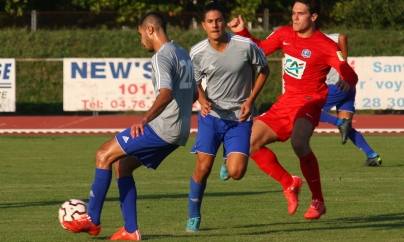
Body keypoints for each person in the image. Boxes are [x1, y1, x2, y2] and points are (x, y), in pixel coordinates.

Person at [61, 12, 198, 240]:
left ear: (150, 30)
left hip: (162, 128)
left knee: (103, 154)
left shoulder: (161, 57)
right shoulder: (182, 53)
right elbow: (193, 94)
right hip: (179, 132)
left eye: (140, 34)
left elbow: (165, 94)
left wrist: (144, 120)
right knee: (122, 167)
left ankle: (92, 220)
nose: (140, 40)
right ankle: (130, 229)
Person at [227, 0, 358, 220]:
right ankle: (289, 183)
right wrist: (242, 31)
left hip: (309, 102)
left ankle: (318, 200)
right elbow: (259, 48)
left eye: (301, 14)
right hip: (285, 102)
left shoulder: (326, 46)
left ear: (314, 17)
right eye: (293, 13)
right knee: (248, 142)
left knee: (299, 142)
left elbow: (349, 71)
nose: (295, 18)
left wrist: (347, 80)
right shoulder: (284, 34)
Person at [186, 0, 270, 232]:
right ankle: (193, 215)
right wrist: (201, 99)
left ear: (225, 21)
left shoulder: (245, 45)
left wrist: (251, 99)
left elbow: (264, 69)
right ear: (203, 25)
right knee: (203, 169)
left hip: (239, 119)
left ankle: (229, 157)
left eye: (219, 20)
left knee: (237, 172)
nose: (215, 25)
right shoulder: (198, 52)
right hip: (211, 117)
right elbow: (193, 81)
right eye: (210, 21)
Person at [321, 33, 382, 166]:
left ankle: (338, 122)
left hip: (337, 85)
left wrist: (343, 64)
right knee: (347, 127)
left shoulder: (318, 37)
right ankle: (372, 156)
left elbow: (342, 36)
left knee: (307, 111)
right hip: (348, 88)